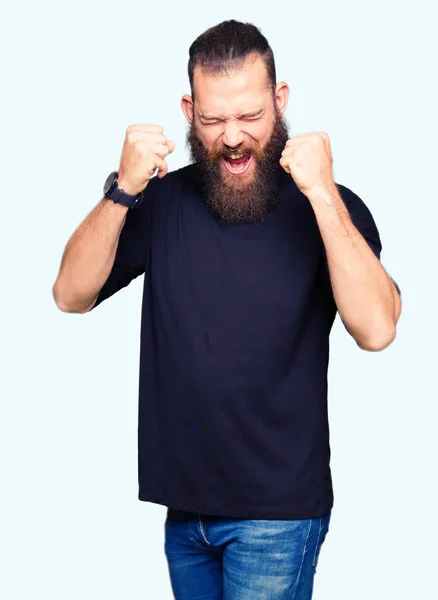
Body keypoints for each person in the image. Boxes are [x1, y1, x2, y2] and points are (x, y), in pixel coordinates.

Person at [52, 19, 402, 600]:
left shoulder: (329, 208)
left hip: (278, 516)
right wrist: (122, 192)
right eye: (214, 120)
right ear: (189, 111)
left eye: (251, 116)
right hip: (186, 513)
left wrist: (323, 192)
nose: (233, 136)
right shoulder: (161, 202)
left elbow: (378, 328)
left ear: (280, 101)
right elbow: (70, 293)